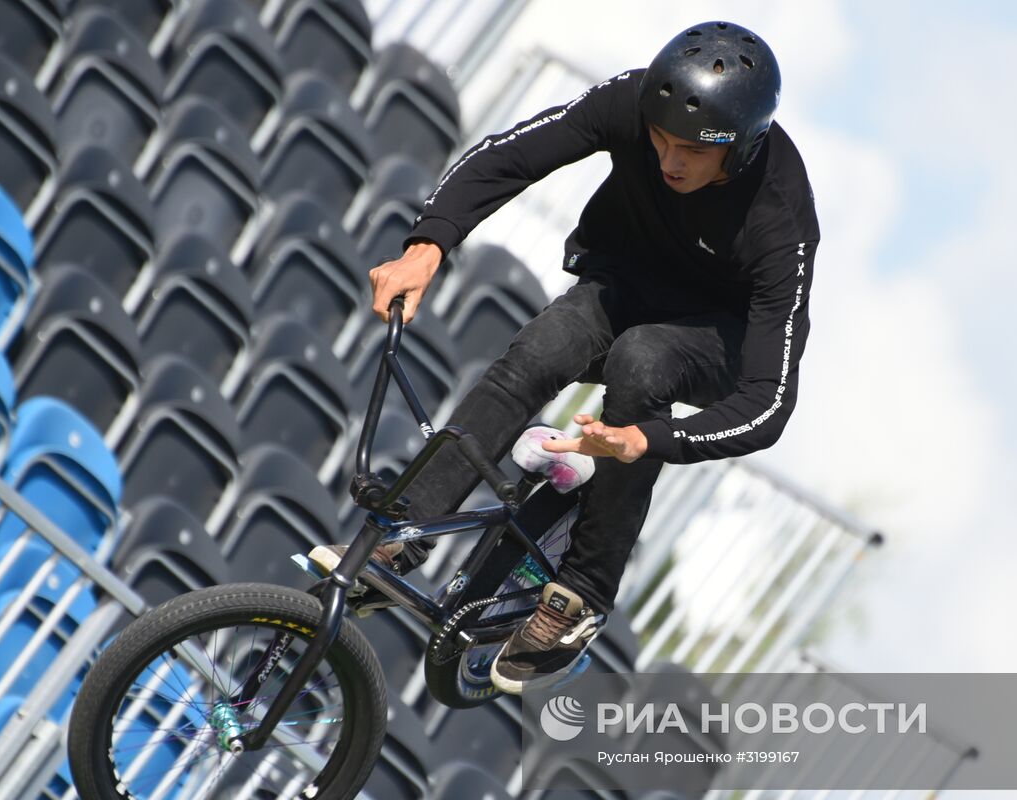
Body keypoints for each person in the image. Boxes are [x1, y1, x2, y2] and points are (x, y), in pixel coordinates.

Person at [314, 20, 820, 694]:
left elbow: (770, 399)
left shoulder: (779, 218)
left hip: (713, 337)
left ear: (741, 146)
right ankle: (408, 528)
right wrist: (427, 246)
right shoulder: (631, 102)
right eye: (661, 142)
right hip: (623, 285)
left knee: (642, 361)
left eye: (691, 153)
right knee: (542, 346)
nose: (669, 163)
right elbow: (508, 155)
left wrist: (649, 436)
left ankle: (582, 592)